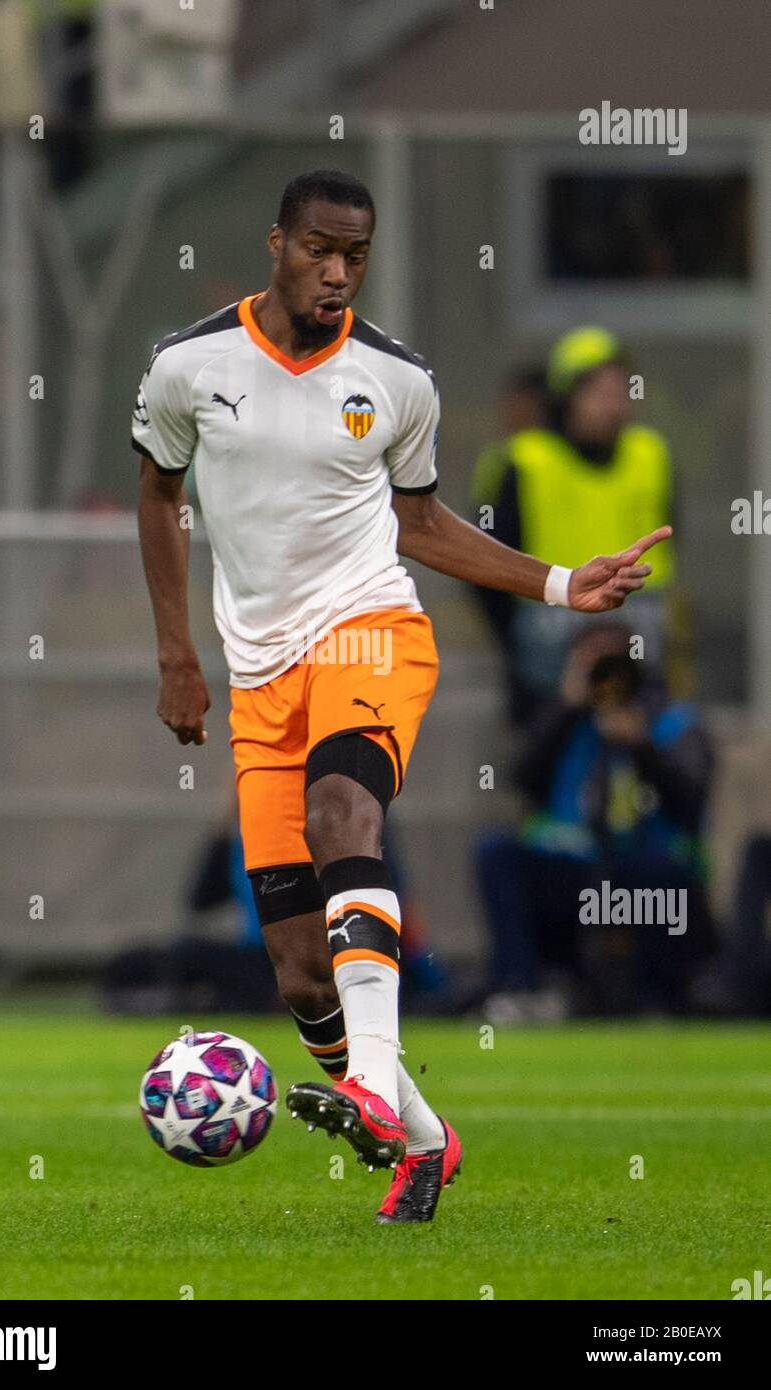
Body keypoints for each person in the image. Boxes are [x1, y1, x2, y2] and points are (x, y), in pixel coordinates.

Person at [132, 168, 670, 1224]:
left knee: (345, 818)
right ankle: (421, 1140)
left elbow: (420, 527)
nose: (337, 272)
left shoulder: (396, 379)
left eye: (356, 255)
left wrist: (563, 582)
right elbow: (158, 497)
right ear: (276, 242)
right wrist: (175, 653)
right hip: (258, 671)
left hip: (372, 630)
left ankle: (370, 1088)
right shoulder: (186, 365)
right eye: (319, 249)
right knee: (295, 973)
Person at [474, 624, 715, 1020]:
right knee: (497, 853)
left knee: (664, 877)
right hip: (570, 866)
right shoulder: (563, 719)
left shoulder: (671, 719)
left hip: (640, 867)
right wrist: (565, 709)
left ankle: (656, 1002)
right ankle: (520, 990)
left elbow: (691, 800)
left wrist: (642, 749)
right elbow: (521, 778)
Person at [469, 327, 676, 724]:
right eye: (598, 393)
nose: (613, 406)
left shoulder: (651, 456)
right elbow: (483, 566)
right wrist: (519, 647)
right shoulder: (523, 461)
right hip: (548, 672)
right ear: (565, 400)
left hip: (640, 663)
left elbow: (671, 541)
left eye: (620, 392)